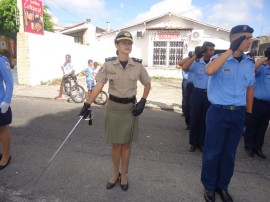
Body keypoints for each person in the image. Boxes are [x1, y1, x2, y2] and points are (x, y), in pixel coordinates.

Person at [78, 31, 151, 191]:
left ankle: (123, 175)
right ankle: (114, 173)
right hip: (113, 108)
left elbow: (147, 84)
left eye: (130, 43)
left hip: (130, 110)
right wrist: (87, 103)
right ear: (117, 46)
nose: (127, 45)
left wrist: (143, 101)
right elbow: (99, 85)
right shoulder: (108, 65)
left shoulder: (138, 65)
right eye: (124, 42)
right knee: (115, 145)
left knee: (126, 145)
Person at [201, 25, 255, 202]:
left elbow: (250, 88)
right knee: (212, 152)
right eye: (246, 38)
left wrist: (249, 112)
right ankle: (209, 187)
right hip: (218, 113)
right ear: (235, 39)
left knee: (229, 154)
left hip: (238, 114)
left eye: (251, 37)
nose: (251, 41)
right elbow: (209, 71)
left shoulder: (249, 63)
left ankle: (222, 186)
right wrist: (230, 50)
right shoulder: (219, 59)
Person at [182, 42, 215, 152]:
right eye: (209, 50)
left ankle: (202, 143)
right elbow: (185, 67)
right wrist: (196, 55)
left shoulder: (215, 62)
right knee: (195, 117)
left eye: (212, 49)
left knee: (206, 119)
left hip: (210, 94)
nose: (212, 52)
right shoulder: (196, 62)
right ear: (204, 51)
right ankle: (193, 142)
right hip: (197, 92)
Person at [244, 47, 270, 159]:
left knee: (263, 127)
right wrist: (266, 58)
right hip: (257, 103)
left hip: (268, 105)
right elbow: (253, 68)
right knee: (252, 125)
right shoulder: (262, 68)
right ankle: (249, 147)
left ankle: (258, 148)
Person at [0, 55, 13, 170]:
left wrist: (7, 101)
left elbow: (9, 81)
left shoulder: (1, 60)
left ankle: (5, 156)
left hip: (0, 103)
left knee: (2, 129)